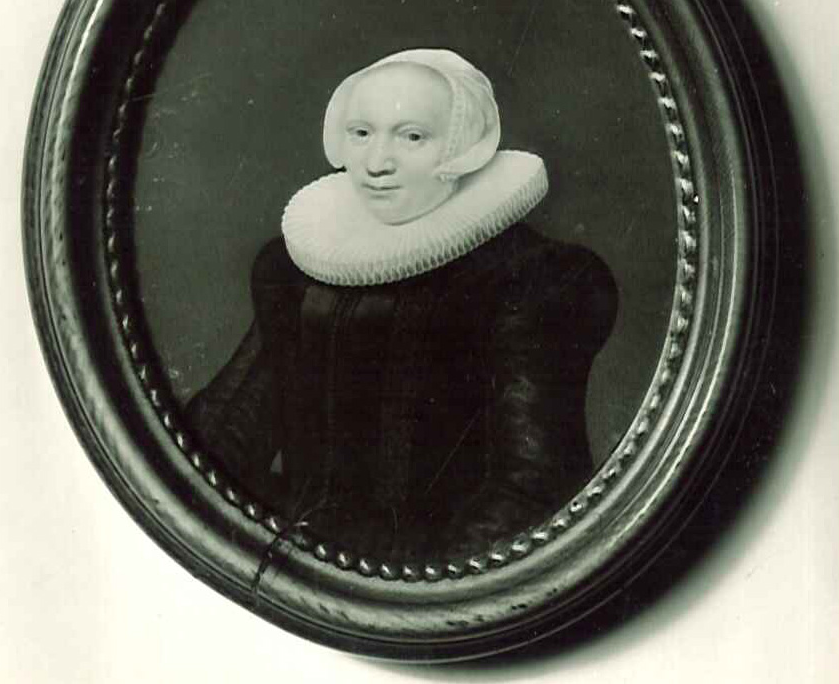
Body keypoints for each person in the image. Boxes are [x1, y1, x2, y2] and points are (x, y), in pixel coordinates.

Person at [187, 49, 617, 563]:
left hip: (436, 572)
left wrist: (411, 594)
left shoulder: (529, 279)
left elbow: (533, 487)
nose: (376, 163)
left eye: (412, 137)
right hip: (300, 562)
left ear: (463, 147)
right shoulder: (295, 269)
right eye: (361, 133)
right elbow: (230, 432)